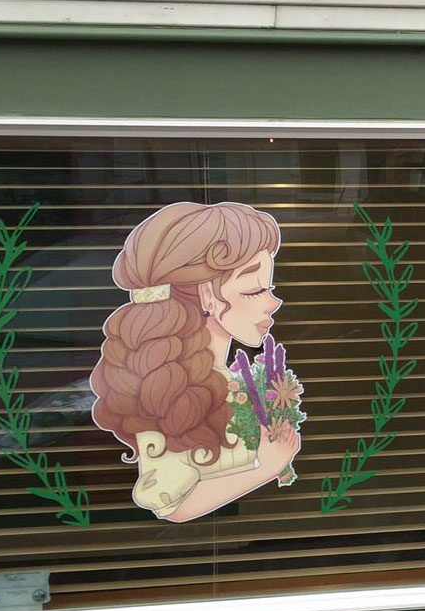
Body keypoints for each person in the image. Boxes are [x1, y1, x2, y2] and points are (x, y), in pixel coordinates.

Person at [91, 202, 303, 521]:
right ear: (207, 295)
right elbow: (173, 508)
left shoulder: (227, 380)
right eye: (254, 290)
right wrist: (267, 468)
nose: (274, 303)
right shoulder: (166, 388)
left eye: (269, 288)